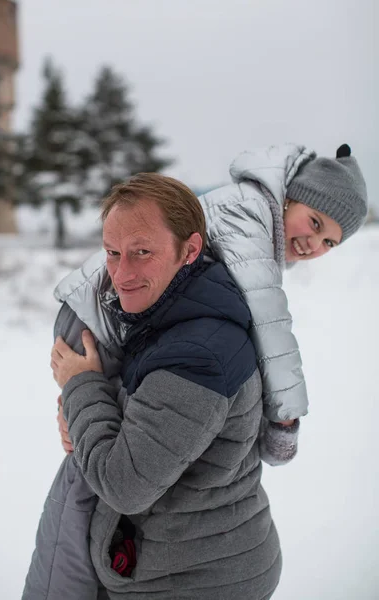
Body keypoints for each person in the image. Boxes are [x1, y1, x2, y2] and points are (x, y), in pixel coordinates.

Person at [22, 143, 368, 599]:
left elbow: (123, 481)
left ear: (190, 252)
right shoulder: (241, 232)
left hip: (194, 577)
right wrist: (88, 410)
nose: (313, 245)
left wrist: (82, 387)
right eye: (316, 223)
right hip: (201, 563)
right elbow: (266, 329)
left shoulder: (199, 351)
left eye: (329, 242)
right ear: (290, 198)